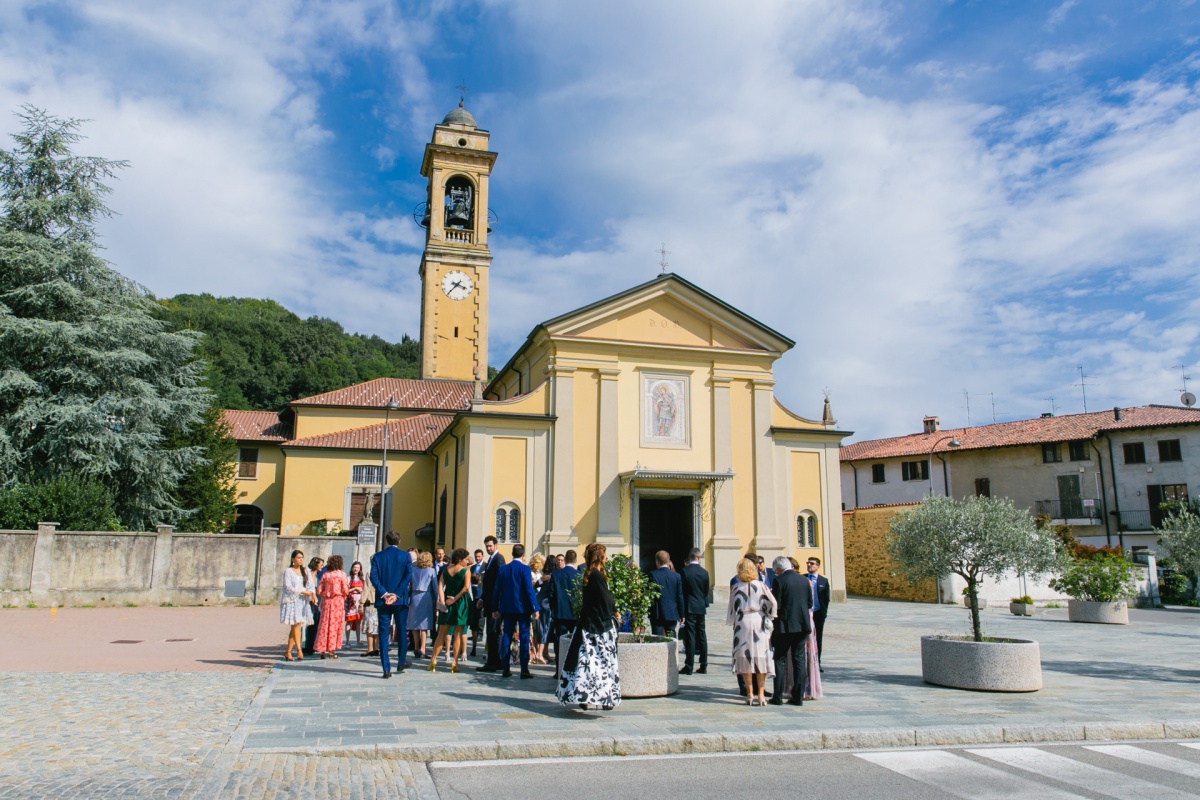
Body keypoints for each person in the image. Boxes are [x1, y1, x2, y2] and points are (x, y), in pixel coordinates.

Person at [557, 542, 620, 711]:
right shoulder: (597, 576)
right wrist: (615, 612)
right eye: (605, 555)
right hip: (598, 626)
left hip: (589, 623)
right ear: (601, 556)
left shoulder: (591, 574)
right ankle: (601, 697)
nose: (606, 558)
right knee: (600, 661)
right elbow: (606, 599)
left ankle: (586, 696)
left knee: (586, 661)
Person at [727, 558, 777, 706]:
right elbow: (773, 603)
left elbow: (731, 608)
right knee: (761, 656)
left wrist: (733, 620)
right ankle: (761, 694)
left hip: (742, 621)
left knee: (744, 657)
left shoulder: (736, 587)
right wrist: (769, 615)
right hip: (759, 619)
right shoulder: (761, 585)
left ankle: (749, 693)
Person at [492, 543, 539, 679]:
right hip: (523, 608)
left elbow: (496, 590)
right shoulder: (525, 569)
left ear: (512, 554)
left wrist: (495, 607)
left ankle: (505, 668)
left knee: (506, 636)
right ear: (523, 554)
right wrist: (535, 607)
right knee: (524, 638)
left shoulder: (503, 569)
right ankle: (524, 669)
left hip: (507, 607)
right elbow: (529, 590)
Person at [370, 531, 413, 679]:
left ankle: (386, 668)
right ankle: (401, 661)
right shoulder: (405, 556)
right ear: (399, 541)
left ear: (387, 541)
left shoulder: (377, 556)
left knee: (383, 633)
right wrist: (397, 593)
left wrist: (384, 593)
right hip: (399, 600)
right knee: (401, 631)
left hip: (383, 600)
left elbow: (373, 577)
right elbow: (408, 576)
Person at [769, 556, 812, 706]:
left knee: (779, 658)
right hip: (802, 625)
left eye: (776, 571)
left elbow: (777, 605)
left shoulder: (779, 581)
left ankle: (778, 696)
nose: (776, 574)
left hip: (786, 626)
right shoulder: (803, 580)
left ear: (779, 569)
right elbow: (809, 602)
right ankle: (798, 696)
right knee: (799, 659)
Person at [428, 548, 472, 672]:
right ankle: (454, 662)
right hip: (460, 604)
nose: (467, 562)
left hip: (446, 602)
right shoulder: (465, 571)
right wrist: (455, 598)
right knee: (458, 634)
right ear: (460, 559)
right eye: (466, 559)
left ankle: (433, 660)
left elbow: (440, 586)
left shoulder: (446, 570)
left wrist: (442, 601)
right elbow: (466, 588)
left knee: (442, 633)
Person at [476, 535, 506, 673]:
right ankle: (497, 661)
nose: (488, 548)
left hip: (495, 603)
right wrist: (482, 598)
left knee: (493, 632)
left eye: (490, 546)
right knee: (494, 633)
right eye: (486, 546)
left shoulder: (498, 559)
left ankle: (492, 663)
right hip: (490, 601)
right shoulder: (491, 559)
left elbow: (499, 583)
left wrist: (496, 605)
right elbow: (488, 584)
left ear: (495, 545)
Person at [548, 548, 581, 671]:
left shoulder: (556, 574)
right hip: (575, 614)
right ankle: (573, 667)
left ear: (565, 560)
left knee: (559, 641)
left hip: (560, 613)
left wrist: (554, 608)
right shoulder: (579, 575)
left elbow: (551, 594)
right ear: (576, 560)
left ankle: (559, 669)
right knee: (575, 641)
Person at [679, 548, 710, 675]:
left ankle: (689, 665)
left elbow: (682, 591)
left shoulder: (685, 571)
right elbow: (706, 591)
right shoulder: (704, 572)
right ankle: (703, 664)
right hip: (700, 606)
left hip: (689, 606)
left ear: (690, 557)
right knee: (702, 634)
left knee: (690, 635)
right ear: (698, 558)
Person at [280, 549, 314, 661]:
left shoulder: (305, 571)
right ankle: (299, 650)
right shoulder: (288, 571)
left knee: (296, 626)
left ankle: (288, 652)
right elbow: (288, 586)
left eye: (302, 558)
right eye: (299, 557)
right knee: (296, 625)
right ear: (293, 559)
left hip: (302, 601)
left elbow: (310, 584)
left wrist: (311, 593)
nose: (301, 560)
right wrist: (302, 591)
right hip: (292, 601)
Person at [315, 555, 349, 659]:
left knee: (324, 625)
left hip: (326, 602)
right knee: (335, 625)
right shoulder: (342, 575)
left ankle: (322, 650)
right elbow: (345, 590)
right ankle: (331, 650)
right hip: (337, 601)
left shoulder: (326, 575)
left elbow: (319, 590)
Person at [647, 550, 684, 638]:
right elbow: (680, 596)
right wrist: (682, 614)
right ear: (668, 561)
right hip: (672, 611)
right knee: (671, 636)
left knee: (657, 637)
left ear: (657, 561)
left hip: (657, 612)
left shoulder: (653, 574)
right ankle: (672, 652)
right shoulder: (677, 576)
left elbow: (650, 594)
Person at [408, 551, 437, 659]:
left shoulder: (413, 570)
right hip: (426, 596)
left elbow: (409, 585)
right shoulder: (431, 571)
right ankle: (423, 648)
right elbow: (435, 586)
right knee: (424, 625)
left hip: (415, 595)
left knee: (415, 625)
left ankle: (416, 646)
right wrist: (437, 599)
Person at [806, 557, 830, 669]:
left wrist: (824, 612)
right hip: (806, 613)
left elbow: (826, 599)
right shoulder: (803, 578)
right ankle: (806, 662)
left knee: (818, 638)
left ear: (817, 566)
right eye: (808, 563)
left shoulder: (823, 581)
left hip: (818, 613)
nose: (809, 565)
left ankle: (817, 662)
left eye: (812, 563)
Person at [534, 556, 556, 666]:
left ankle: (544, 652)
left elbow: (535, 585)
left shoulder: (544, 576)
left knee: (540, 628)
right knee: (545, 628)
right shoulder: (553, 577)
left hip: (539, 602)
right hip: (547, 604)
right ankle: (540, 653)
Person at [527, 553, 547, 665]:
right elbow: (531, 585)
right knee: (532, 629)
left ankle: (535, 652)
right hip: (533, 601)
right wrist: (540, 581)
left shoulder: (540, 573)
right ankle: (532, 652)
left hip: (539, 601)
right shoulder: (530, 573)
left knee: (536, 630)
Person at [303, 556, 325, 655]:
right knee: (311, 622)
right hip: (311, 599)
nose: (322, 566)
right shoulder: (309, 574)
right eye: (320, 564)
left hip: (317, 598)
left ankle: (313, 645)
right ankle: (308, 645)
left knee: (316, 621)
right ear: (315, 564)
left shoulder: (317, 575)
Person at [346, 561, 365, 645]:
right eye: (354, 567)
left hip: (359, 601)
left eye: (357, 567)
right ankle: (347, 640)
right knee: (349, 621)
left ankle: (358, 640)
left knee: (358, 621)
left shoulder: (362, 579)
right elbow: (346, 590)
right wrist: (354, 589)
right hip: (351, 601)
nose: (356, 569)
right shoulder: (348, 578)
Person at [360, 583, 380, 657]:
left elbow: (367, 588)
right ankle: (376, 648)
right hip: (379, 602)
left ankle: (370, 649)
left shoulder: (371, 573)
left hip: (370, 602)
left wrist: (361, 602)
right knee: (376, 627)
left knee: (369, 627)